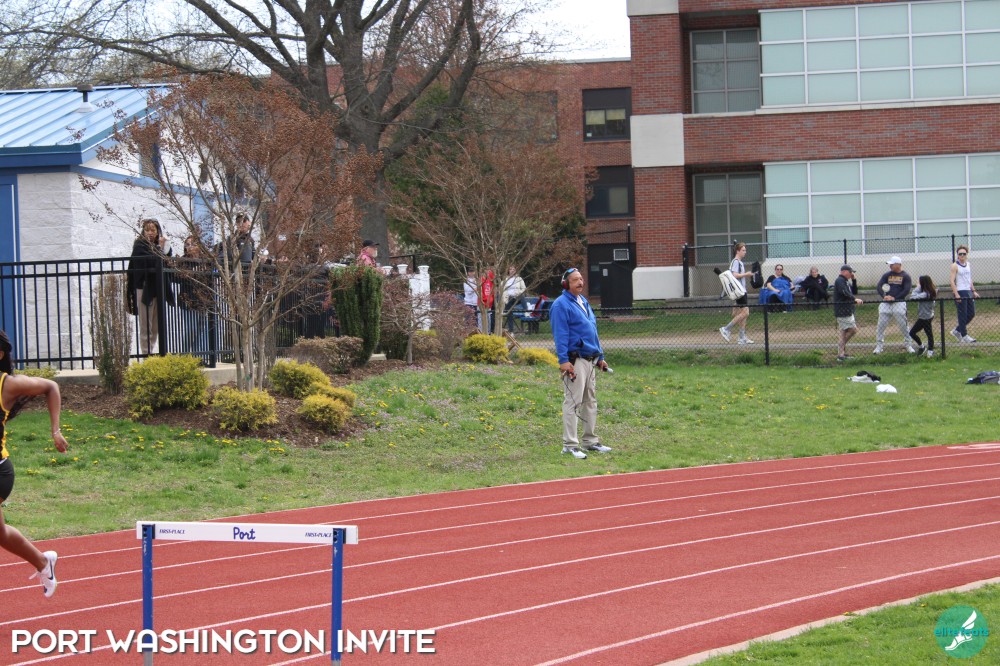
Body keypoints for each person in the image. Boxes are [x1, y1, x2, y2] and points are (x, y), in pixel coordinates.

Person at [0, 329, 68, 597]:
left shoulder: (7, 385)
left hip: (0, 471)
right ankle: (42, 562)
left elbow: (51, 387)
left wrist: (55, 431)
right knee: (2, 534)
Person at [550, 268, 612, 460]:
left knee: (590, 401)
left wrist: (600, 356)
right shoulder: (560, 305)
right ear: (566, 284)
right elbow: (560, 335)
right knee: (573, 402)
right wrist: (563, 361)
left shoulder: (583, 301)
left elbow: (593, 331)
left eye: (581, 279)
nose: (580, 282)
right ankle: (569, 445)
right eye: (575, 280)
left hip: (590, 359)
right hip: (575, 360)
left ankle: (590, 441)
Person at [126, 218, 175, 356]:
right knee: (145, 325)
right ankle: (146, 354)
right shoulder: (140, 245)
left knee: (155, 325)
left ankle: (151, 351)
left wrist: (163, 247)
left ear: (158, 231)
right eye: (147, 230)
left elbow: (167, 261)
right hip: (144, 288)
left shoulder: (159, 245)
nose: (150, 232)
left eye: (153, 230)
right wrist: (160, 250)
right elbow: (151, 261)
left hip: (158, 288)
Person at [874, 256, 915, 355]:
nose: (890, 266)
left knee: (903, 325)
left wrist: (895, 298)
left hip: (899, 303)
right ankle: (879, 346)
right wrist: (884, 296)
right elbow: (879, 286)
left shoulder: (905, 276)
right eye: (890, 264)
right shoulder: (887, 275)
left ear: (898, 265)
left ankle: (908, 345)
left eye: (892, 264)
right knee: (881, 325)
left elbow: (906, 290)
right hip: (886, 303)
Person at [719, 242, 753, 344]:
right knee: (745, 313)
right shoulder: (736, 262)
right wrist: (746, 274)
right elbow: (734, 275)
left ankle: (741, 337)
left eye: (745, 250)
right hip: (739, 291)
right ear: (737, 251)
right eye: (743, 250)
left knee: (743, 314)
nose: (745, 252)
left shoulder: (739, 262)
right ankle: (726, 329)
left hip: (741, 290)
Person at [949, 245, 979, 344]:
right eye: (960, 254)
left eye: (964, 254)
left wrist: (973, 291)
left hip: (968, 291)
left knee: (971, 314)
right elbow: (952, 281)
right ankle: (964, 335)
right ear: (957, 255)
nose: (962, 255)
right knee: (962, 315)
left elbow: (969, 279)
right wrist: (956, 294)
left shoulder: (968, 264)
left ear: (967, 255)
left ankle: (957, 330)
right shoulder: (955, 265)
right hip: (960, 291)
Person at [833, 264, 863, 361]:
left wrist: (854, 280)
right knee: (853, 330)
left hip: (848, 310)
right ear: (844, 272)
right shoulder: (839, 281)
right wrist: (854, 300)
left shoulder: (846, 281)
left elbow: (854, 291)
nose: (851, 274)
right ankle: (840, 348)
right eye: (850, 272)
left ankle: (841, 354)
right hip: (843, 311)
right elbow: (844, 293)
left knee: (844, 331)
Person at [908, 275, 937, 358]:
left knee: (925, 334)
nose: (918, 283)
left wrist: (918, 287)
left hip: (925, 318)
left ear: (923, 284)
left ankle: (929, 351)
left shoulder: (925, 294)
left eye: (919, 282)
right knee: (915, 333)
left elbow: (912, 297)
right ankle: (924, 348)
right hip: (926, 316)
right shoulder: (929, 292)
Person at [502, 266, 527, 332]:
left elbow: (524, 288)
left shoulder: (519, 279)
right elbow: (502, 290)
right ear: (508, 271)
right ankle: (511, 331)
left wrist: (518, 293)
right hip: (509, 298)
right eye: (510, 269)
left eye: (513, 269)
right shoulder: (505, 280)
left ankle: (526, 311)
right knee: (509, 312)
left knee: (521, 295)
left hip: (517, 297)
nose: (512, 270)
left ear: (515, 271)